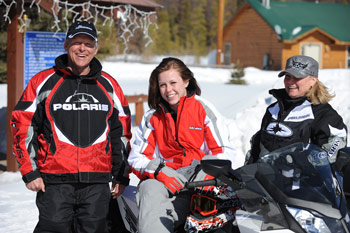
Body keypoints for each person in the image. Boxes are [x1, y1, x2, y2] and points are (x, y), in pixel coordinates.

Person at [10, 21, 132, 233]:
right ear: (67, 44)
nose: (82, 48)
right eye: (77, 42)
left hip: (97, 182)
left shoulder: (109, 85)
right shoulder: (43, 82)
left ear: (95, 47)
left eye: (88, 43)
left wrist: (121, 175)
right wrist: (30, 172)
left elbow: (121, 133)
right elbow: (22, 125)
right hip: (54, 182)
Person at [127, 57, 237, 233]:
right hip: (166, 180)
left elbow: (225, 151)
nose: (168, 90)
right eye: (163, 85)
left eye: (173, 83)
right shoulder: (152, 117)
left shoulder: (203, 109)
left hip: (199, 181)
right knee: (148, 187)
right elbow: (136, 158)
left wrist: (209, 170)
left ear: (186, 81)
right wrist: (158, 171)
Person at [246, 55, 347, 164]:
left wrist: (309, 168)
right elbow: (258, 146)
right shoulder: (273, 110)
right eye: (288, 77)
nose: (290, 82)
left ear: (313, 80)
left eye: (297, 78)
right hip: (265, 177)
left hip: (301, 179)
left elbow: (335, 145)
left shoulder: (322, 113)